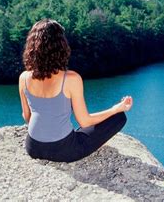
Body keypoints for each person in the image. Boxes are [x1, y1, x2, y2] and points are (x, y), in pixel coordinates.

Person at [19, 18, 133, 162]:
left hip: (33, 147)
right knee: (119, 118)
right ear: (62, 46)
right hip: (63, 151)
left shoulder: (23, 77)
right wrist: (116, 108)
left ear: (31, 47)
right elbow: (85, 121)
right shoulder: (71, 79)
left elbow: (27, 116)